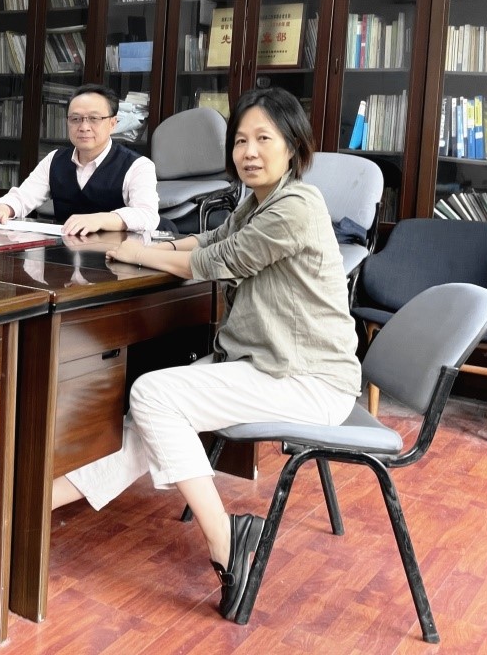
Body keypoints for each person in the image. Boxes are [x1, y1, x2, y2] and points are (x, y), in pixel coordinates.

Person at [54, 87, 361, 621]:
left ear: (293, 146)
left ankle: (226, 540)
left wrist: (137, 251)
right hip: (260, 365)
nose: (249, 152)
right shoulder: (258, 201)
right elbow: (209, 238)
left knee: (153, 395)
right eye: (240, 140)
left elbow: (219, 260)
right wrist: (155, 245)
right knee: (147, 421)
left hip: (306, 378)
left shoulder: (296, 206)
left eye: (263, 139)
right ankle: (34, 505)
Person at [0, 84, 162, 236]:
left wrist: (100, 220)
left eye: (94, 118)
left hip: (114, 256)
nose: (84, 127)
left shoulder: (137, 165)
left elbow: (147, 215)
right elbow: (24, 196)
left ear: (113, 123)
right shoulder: (55, 159)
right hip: (64, 254)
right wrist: (4, 208)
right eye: (75, 119)